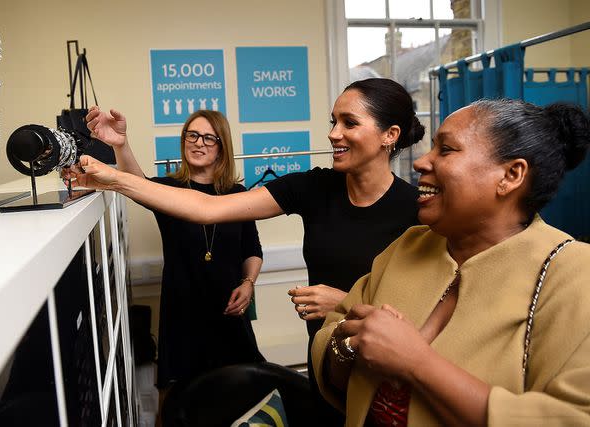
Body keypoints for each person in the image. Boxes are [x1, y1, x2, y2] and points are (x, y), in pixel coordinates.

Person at [68, 78, 425, 425]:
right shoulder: (314, 188)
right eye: (333, 122)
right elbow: (207, 208)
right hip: (326, 363)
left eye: (349, 123)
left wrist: (345, 304)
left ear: (389, 135)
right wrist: (115, 177)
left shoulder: (417, 212)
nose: (333, 133)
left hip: (383, 376)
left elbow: (429, 316)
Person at [311, 98, 590, 426]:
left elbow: (570, 418)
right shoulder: (409, 245)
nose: (420, 162)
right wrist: (350, 345)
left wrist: (417, 363)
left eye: (445, 150)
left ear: (511, 175)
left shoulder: (573, 275)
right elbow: (333, 334)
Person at [85, 107, 265, 388]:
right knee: (181, 397)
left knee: (239, 393)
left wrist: (249, 282)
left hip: (228, 312)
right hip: (183, 314)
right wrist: (121, 144)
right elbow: (137, 185)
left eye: (208, 138)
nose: (198, 143)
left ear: (222, 147)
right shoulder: (169, 189)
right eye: (192, 135)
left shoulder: (237, 194)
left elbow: (252, 247)